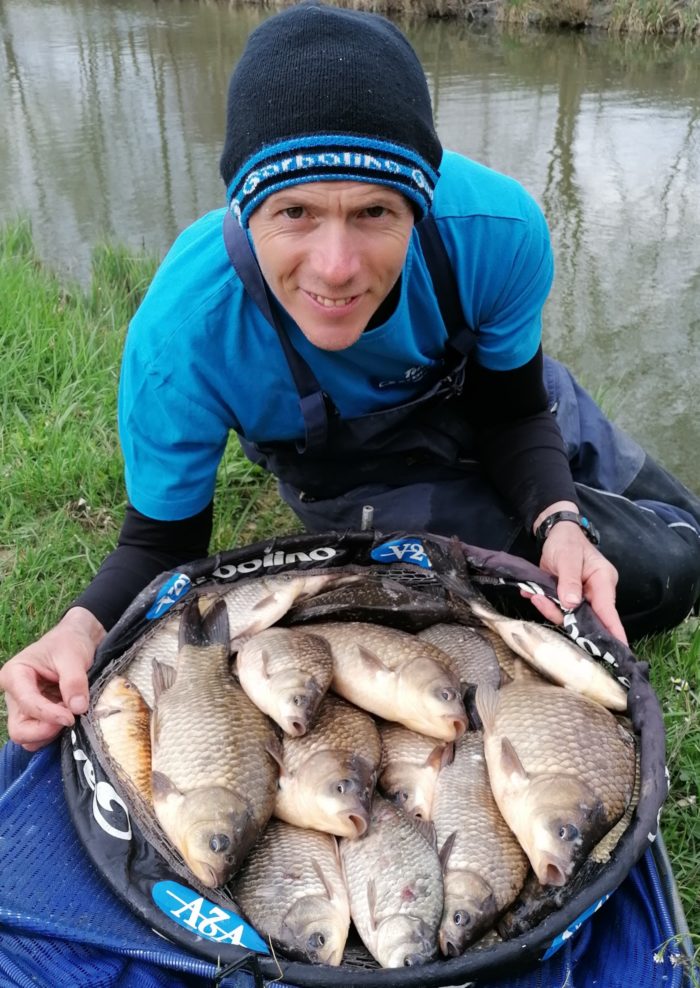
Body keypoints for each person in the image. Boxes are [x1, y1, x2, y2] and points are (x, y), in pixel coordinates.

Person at [1, 1, 699, 753]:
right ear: (244, 203)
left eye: (374, 213)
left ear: (419, 205)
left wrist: (559, 520)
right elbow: (160, 545)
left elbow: (513, 411)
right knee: (650, 582)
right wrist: (77, 631)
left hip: (484, 394)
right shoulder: (185, 335)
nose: (334, 268)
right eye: (294, 212)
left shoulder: (500, 233)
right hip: (352, 465)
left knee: (685, 548)